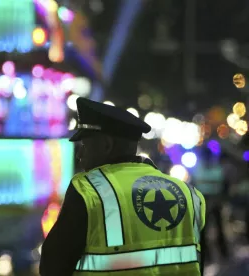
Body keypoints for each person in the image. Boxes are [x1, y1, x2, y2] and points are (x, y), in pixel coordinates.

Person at [40, 98, 206, 275]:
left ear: (106, 145)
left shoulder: (88, 190)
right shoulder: (190, 195)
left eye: (85, 146)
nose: (79, 154)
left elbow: (52, 267)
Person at [192, 148, 228, 262]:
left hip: (215, 202)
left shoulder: (217, 169)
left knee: (218, 227)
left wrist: (219, 200)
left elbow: (223, 187)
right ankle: (205, 253)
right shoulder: (198, 169)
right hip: (203, 203)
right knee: (203, 229)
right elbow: (193, 186)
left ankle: (223, 252)